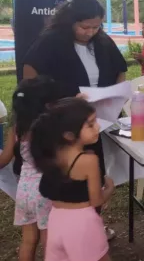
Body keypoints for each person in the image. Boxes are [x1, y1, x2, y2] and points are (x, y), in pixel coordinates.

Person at [22, 0, 126, 240]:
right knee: (65, 178)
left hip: (94, 124)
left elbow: (120, 69)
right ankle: (65, 228)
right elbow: (29, 77)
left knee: (93, 175)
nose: (90, 32)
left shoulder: (102, 41)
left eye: (96, 26)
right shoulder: (51, 41)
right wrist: (61, 103)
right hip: (63, 125)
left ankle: (92, 224)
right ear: (70, 20)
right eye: (84, 26)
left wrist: (116, 93)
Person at [31, 98, 115, 261]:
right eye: (90, 124)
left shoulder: (52, 155)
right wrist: (109, 189)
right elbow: (96, 200)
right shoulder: (89, 161)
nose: (97, 127)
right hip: (83, 224)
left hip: (56, 221)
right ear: (69, 135)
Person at [0, 77, 59, 261]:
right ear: (46, 105)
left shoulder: (17, 129)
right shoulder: (50, 129)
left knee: (28, 240)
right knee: (48, 240)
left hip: (24, 191)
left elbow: (3, 160)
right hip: (45, 192)